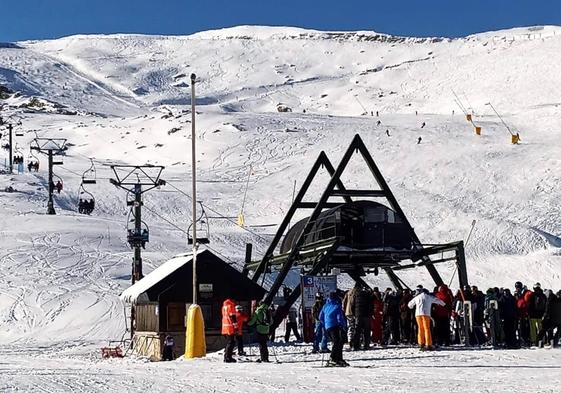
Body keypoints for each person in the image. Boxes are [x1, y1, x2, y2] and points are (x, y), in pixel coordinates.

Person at [319, 292, 348, 367]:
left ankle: (338, 358)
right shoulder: (337, 306)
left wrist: (325, 323)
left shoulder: (325, 306)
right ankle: (333, 358)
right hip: (335, 326)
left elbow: (320, 317)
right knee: (337, 342)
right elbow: (340, 318)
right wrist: (343, 326)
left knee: (338, 342)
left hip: (327, 327)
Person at [353, 286, 373, 350]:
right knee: (366, 331)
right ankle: (366, 344)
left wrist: (355, 314)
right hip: (366, 315)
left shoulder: (356, 296)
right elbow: (371, 306)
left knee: (357, 331)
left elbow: (353, 306)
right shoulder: (368, 296)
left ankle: (356, 345)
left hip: (358, 315)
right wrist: (370, 314)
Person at [221, 298, 238, 362]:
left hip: (225, 327)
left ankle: (227, 356)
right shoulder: (231, 306)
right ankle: (228, 357)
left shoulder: (223, 307)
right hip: (230, 327)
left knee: (230, 342)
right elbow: (233, 317)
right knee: (231, 342)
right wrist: (236, 327)